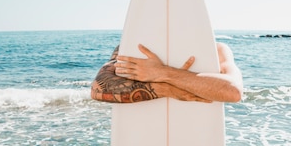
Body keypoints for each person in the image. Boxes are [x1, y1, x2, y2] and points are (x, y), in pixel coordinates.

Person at [91, 42, 243, 104]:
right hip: (144, 128)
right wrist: (168, 89)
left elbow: (233, 92)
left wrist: (163, 73)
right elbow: (98, 89)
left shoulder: (216, 49)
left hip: (196, 130)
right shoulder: (132, 46)